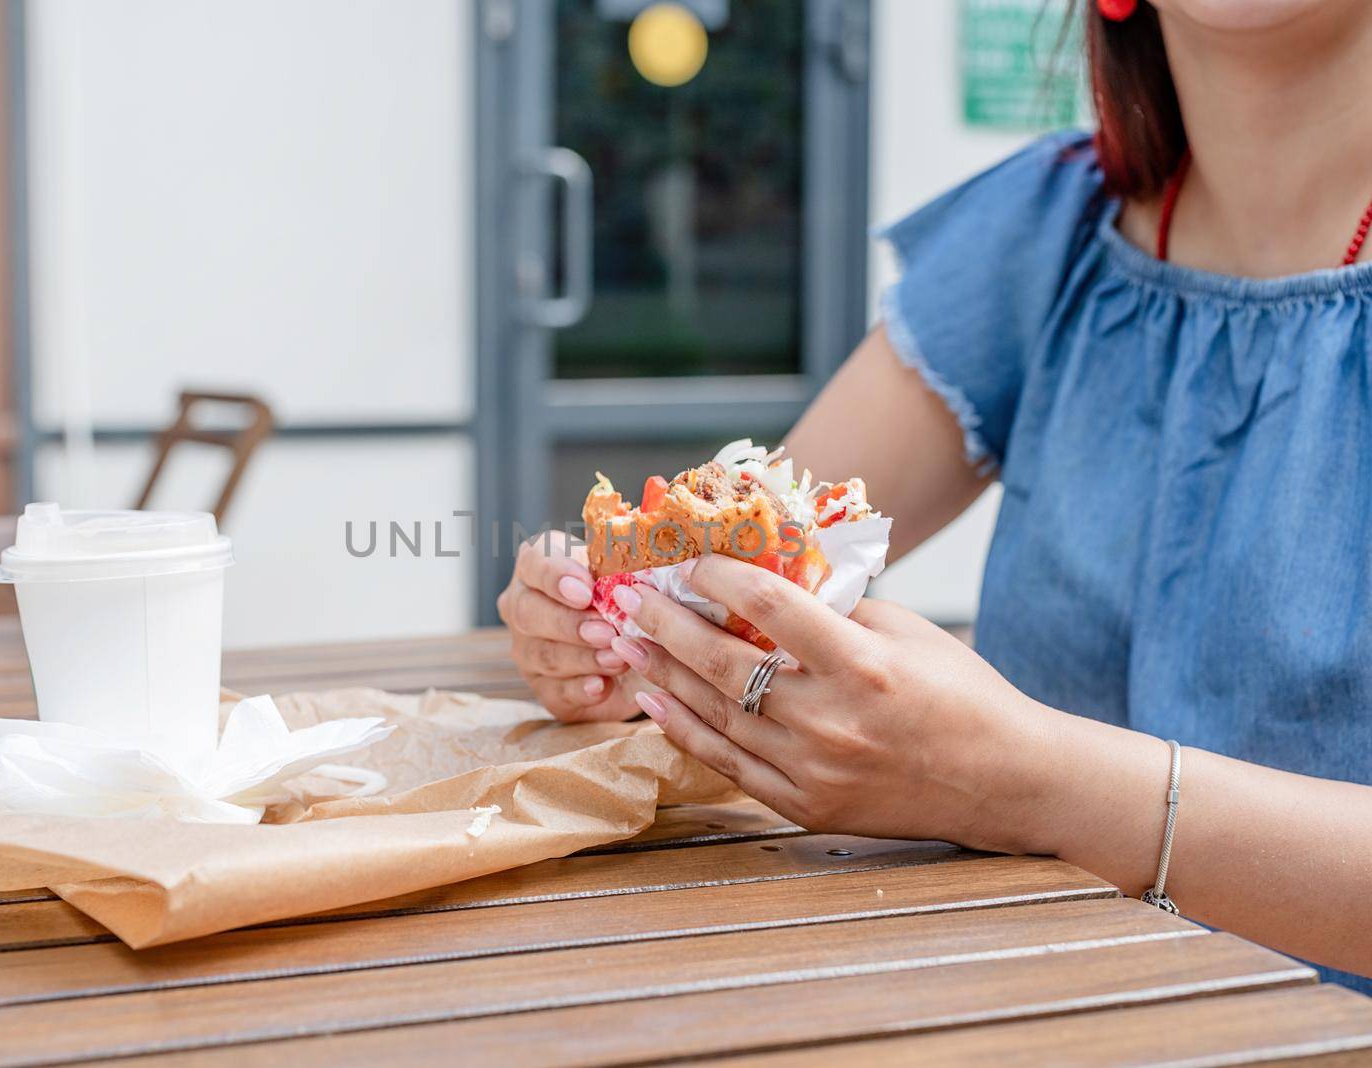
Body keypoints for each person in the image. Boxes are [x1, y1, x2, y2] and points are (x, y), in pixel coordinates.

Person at [495, 0, 1372, 989]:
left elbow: (1016, 781)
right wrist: (624, 630)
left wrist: (1030, 783)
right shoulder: (1051, 232)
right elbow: (750, 561)